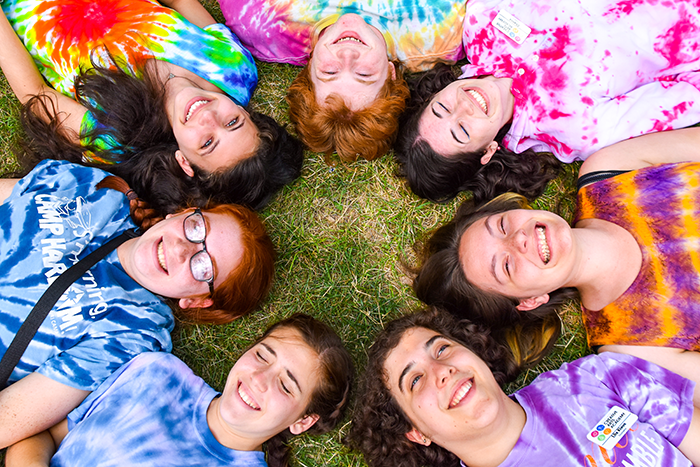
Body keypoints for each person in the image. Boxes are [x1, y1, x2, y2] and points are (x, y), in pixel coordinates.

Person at [0, 159, 276, 449]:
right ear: (179, 214)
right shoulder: (99, 190)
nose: (181, 249)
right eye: (196, 227)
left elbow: (8, 419)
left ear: (197, 300)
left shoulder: (132, 335)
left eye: (204, 267)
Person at [412, 126, 700, 387]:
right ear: (530, 301)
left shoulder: (609, 172)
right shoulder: (631, 349)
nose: (518, 239)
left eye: (501, 226)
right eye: (507, 265)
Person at [0, 0, 303, 213]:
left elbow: (34, 93)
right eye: (233, 122)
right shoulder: (232, 69)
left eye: (208, 143)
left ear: (185, 162)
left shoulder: (113, 138)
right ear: (248, 114)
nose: (208, 116)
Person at [395, 0, 700, 203]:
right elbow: (688, 93)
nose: (463, 106)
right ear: (486, 152)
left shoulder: (480, 22)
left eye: (441, 108)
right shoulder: (577, 129)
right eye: (461, 131)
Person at [348, 309, 700, 467]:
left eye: (441, 349)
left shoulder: (593, 377)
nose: (442, 371)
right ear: (416, 432)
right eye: (415, 380)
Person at [5, 313, 354, 467]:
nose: (259, 379)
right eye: (263, 355)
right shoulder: (157, 373)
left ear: (302, 421)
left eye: (285, 385)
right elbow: (43, 434)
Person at [218, 1, 467, 162]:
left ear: (309, 67)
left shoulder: (261, 21)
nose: (347, 55)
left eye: (329, 72)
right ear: (391, 74)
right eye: (364, 75)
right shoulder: (441, 31)